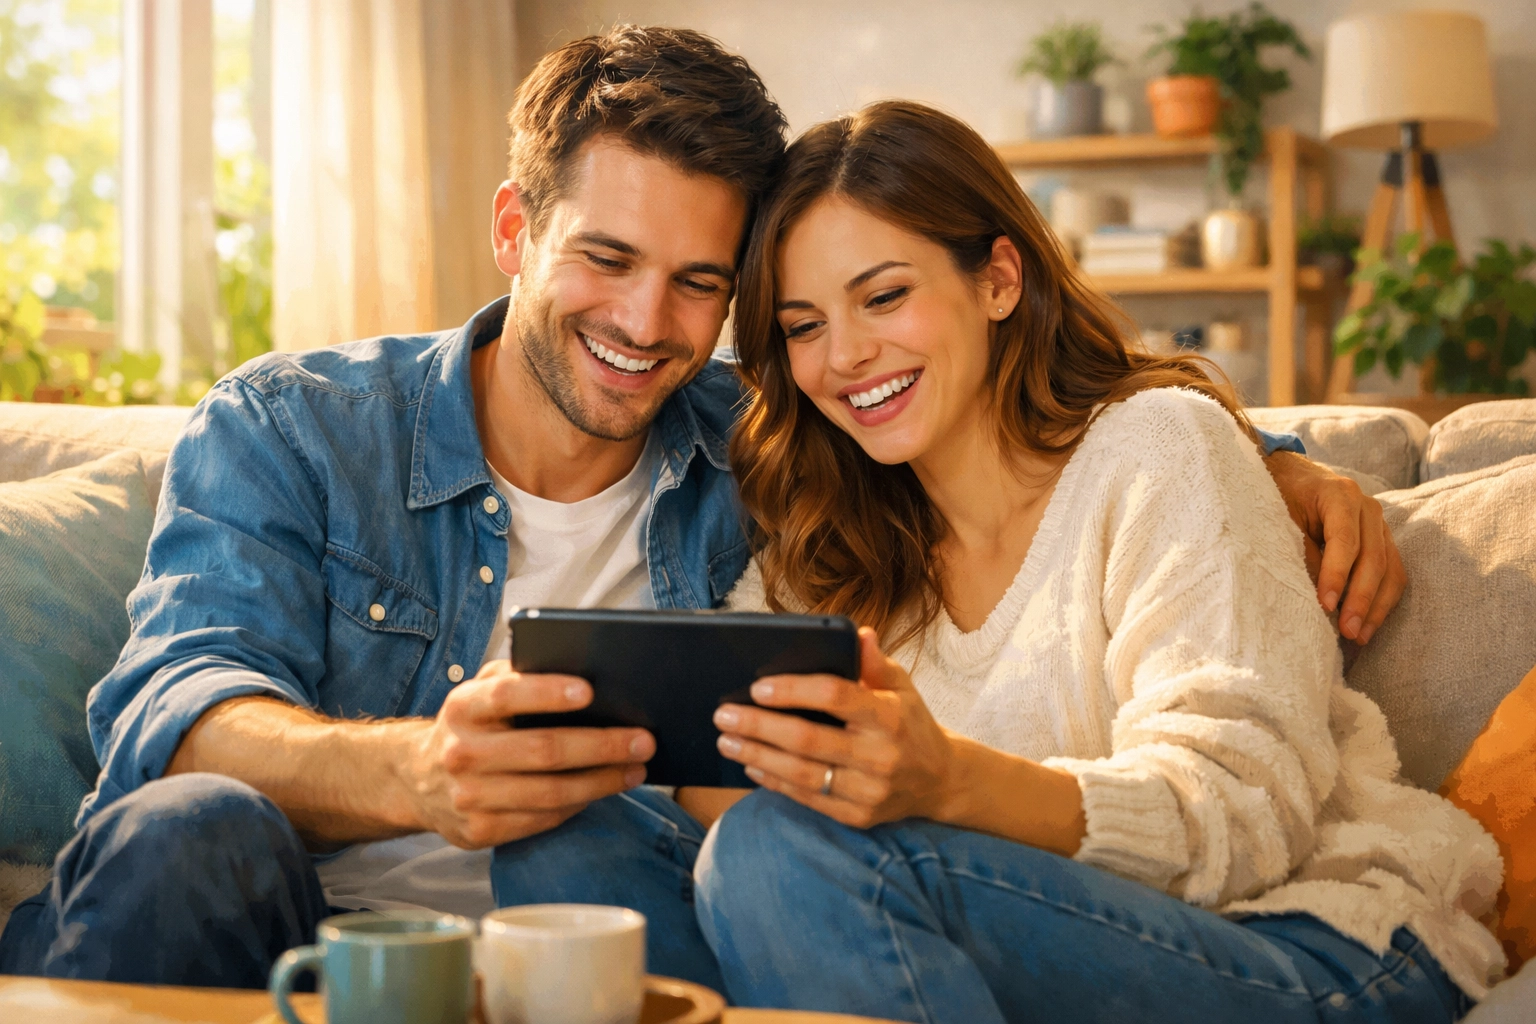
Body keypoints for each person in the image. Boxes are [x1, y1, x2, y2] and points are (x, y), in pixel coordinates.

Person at [0, 28, 1402, 990]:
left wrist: (1272, 452)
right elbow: (173, 705)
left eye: (698, 286)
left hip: (601, 956)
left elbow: (1026, 417)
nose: (645, 323)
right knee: (189, 832)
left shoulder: (772, 441)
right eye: (606, 259)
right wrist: (420, 773)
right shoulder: (296, 425)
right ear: (514, 228)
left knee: (611, 822)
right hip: (315, 936)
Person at [695, 101, 1504, 1023]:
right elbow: (723, 760)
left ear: (999, 279)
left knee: (774, 850)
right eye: (802, 327)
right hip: (1056, 938)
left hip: (1310, 940)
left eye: (884, 297)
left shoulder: (1160, 448)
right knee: (590, 840)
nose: (845, 355)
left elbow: (1247, 815)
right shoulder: (833, 538)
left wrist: (948, 781)